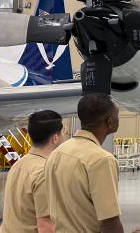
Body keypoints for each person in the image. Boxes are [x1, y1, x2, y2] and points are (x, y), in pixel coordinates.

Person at [45, 94, 123, 233]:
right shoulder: (102, 160)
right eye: (117, 115)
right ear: (110, 122)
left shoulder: (56, 154)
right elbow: (110, 222)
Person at [0, 110, 63, 233]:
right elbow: (46, 226)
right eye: (62, 133)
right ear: (55, 138)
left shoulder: (17, 166)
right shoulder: (44, 172)